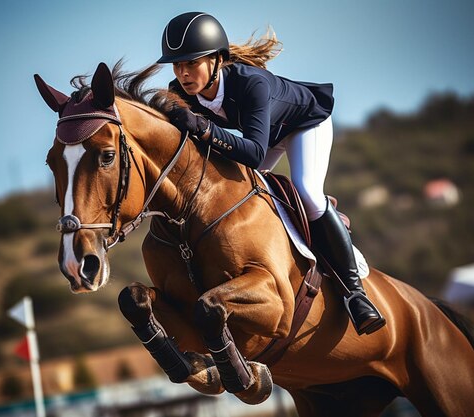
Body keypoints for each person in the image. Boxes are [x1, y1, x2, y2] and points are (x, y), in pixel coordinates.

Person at [158, 12, 385, 335]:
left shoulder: (252, 84)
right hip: (264, 138)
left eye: (191, 63)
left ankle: (355, 294)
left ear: (217, 61)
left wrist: (206, 130)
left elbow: (252, 154)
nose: (183, 73)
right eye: (177, 65)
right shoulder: (180, 93)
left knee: (306, 191)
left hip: (304, 125)